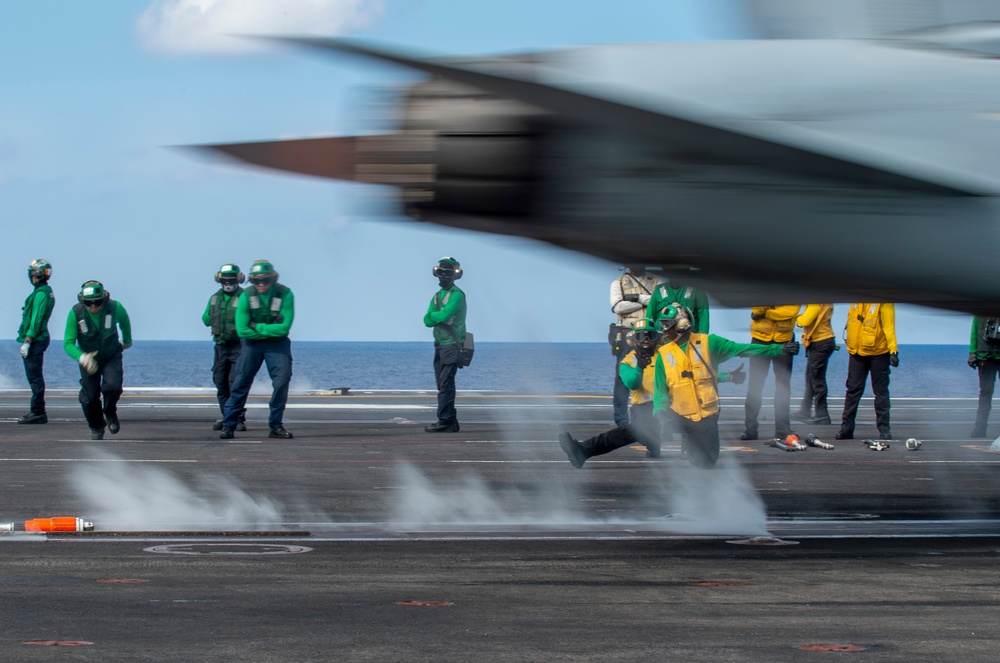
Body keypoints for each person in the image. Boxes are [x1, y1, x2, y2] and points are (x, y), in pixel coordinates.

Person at [653, 305, 799, 468]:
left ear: (682, 324)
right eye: (662, 325)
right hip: (679, 415)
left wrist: (779, 349)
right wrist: (659, 411)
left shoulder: (709, 343)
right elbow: (660, 389)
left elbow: (743, 349)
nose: (664, 330)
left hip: (706, 416)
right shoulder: (663, 354)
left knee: (708, 462)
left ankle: (694, 446)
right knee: (643, 427)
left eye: (667, 325)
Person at [559, 318, 664, 467]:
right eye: (641, 336)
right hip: (644, 407)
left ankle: (584, 450)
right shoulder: (628, 361)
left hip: (665, 404)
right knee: (639, 430)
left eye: (650, 336)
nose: (646, 340)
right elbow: (632, 383)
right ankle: (652, 444)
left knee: (645, 429)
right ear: (634, 340)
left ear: (657, 338)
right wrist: (639, 368)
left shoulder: (665, 355)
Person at [218, 260, 295, 440]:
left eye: (265, 280)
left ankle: (276, 426)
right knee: (240, 383)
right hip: (252, 345)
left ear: (272, 279)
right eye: (256, 281)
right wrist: (269, 329)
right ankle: (229, 425)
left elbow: (284, 329)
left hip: (277, 345)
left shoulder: (285, 294)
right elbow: (242, 329)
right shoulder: (247, 296)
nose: (261, 284)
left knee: (281, 382)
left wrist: (256, 327)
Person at [63, 281, 132, 440]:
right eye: (89, 303)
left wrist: (127, 340)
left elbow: (124, 321)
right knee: (90, 396)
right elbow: (68, 343)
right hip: (88, 358)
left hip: (111, 355)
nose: (93, 306)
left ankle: (110, 412)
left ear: (104, 299)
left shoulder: (115, 307)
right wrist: (82, 357)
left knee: (113, 386)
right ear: (82, 301)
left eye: (97, 302)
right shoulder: (75, 313)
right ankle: (96, 426)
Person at [837, 303, 898, 441]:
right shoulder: (855, 302)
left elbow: (889, 327)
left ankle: (884, 430)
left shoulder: (884, 303)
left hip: (879, 353)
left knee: (881, 392)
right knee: (852, 391)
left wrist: (893, 351)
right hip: (856, 352)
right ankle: (846, 429)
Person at [610, 265, 662, 426]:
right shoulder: (618, 283)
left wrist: (637, 298)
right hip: (627, 335)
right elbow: (617, 307)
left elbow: (660, 303)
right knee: (622, 378)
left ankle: (657, 413)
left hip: (652, 336)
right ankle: (621, 420)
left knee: (659, 373)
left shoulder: (657, 282)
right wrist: (647, 301)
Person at [741, 305, 802, 441]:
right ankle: (750, 429)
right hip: (760, 339)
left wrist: (766, 313)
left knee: (783, 387)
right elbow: (757, 309)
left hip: (784, 340)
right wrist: (768, 310)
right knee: (755, 385)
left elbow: (790, 312)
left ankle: (782, 429)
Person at [423, 256, 467, 433]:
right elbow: (426, 320)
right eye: (441, 272)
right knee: (443, 385)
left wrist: (436, 316)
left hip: (452, 345)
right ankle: (451, 421)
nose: (443, 276)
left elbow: (441, 316)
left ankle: (445, 421)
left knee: (446, 383)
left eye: (447, 273)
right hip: (440, 344)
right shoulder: (436, 297)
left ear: (455, 275)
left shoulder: (457, 295)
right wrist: (437, 317)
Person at [203, 263, 247, 432]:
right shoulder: (214, 298)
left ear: (238, 279)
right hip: (220, 346)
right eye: (225, 280)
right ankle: (227, 416)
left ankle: (238, 417)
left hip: (239, 346)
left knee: (235, 382)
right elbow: (205, 319)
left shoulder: (244, 297)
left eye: (231, 280)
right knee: (220, 382)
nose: (228, 283)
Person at [16, 259, 56, 424]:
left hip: (36, 339)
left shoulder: (41, 294)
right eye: (32, 274)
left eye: (36, 275)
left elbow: (36, 319)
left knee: (35, 377)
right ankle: (38, 410)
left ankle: (38, 412)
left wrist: (28, 340)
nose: (34, 278)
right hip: (38, 338)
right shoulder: (45, 292)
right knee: (34, 376)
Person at [794, 304, 836, 425]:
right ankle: (805, 411)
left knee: (817, 380)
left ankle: (822, 415)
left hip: (821, 342)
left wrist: (797, 317)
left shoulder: (816, 303)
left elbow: (805, 321)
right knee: (811, 378)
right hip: (819, 341)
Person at [968, 316, 1000, 438]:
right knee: (985, 394)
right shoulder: (979, 314)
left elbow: (974, 333)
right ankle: (979, 430)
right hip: (985, 357)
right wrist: (973, 352)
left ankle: (979, 431)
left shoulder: (981, 313)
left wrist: (973, 353)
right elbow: (975, 332)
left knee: (985, 394)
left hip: (984, 357)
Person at [646, 279, 710, 334]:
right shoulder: (659, 290)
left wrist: (702, 340)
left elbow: (704, 319)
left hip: (688, 337)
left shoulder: (697, 291)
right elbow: (649, 318)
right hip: (664, 338)